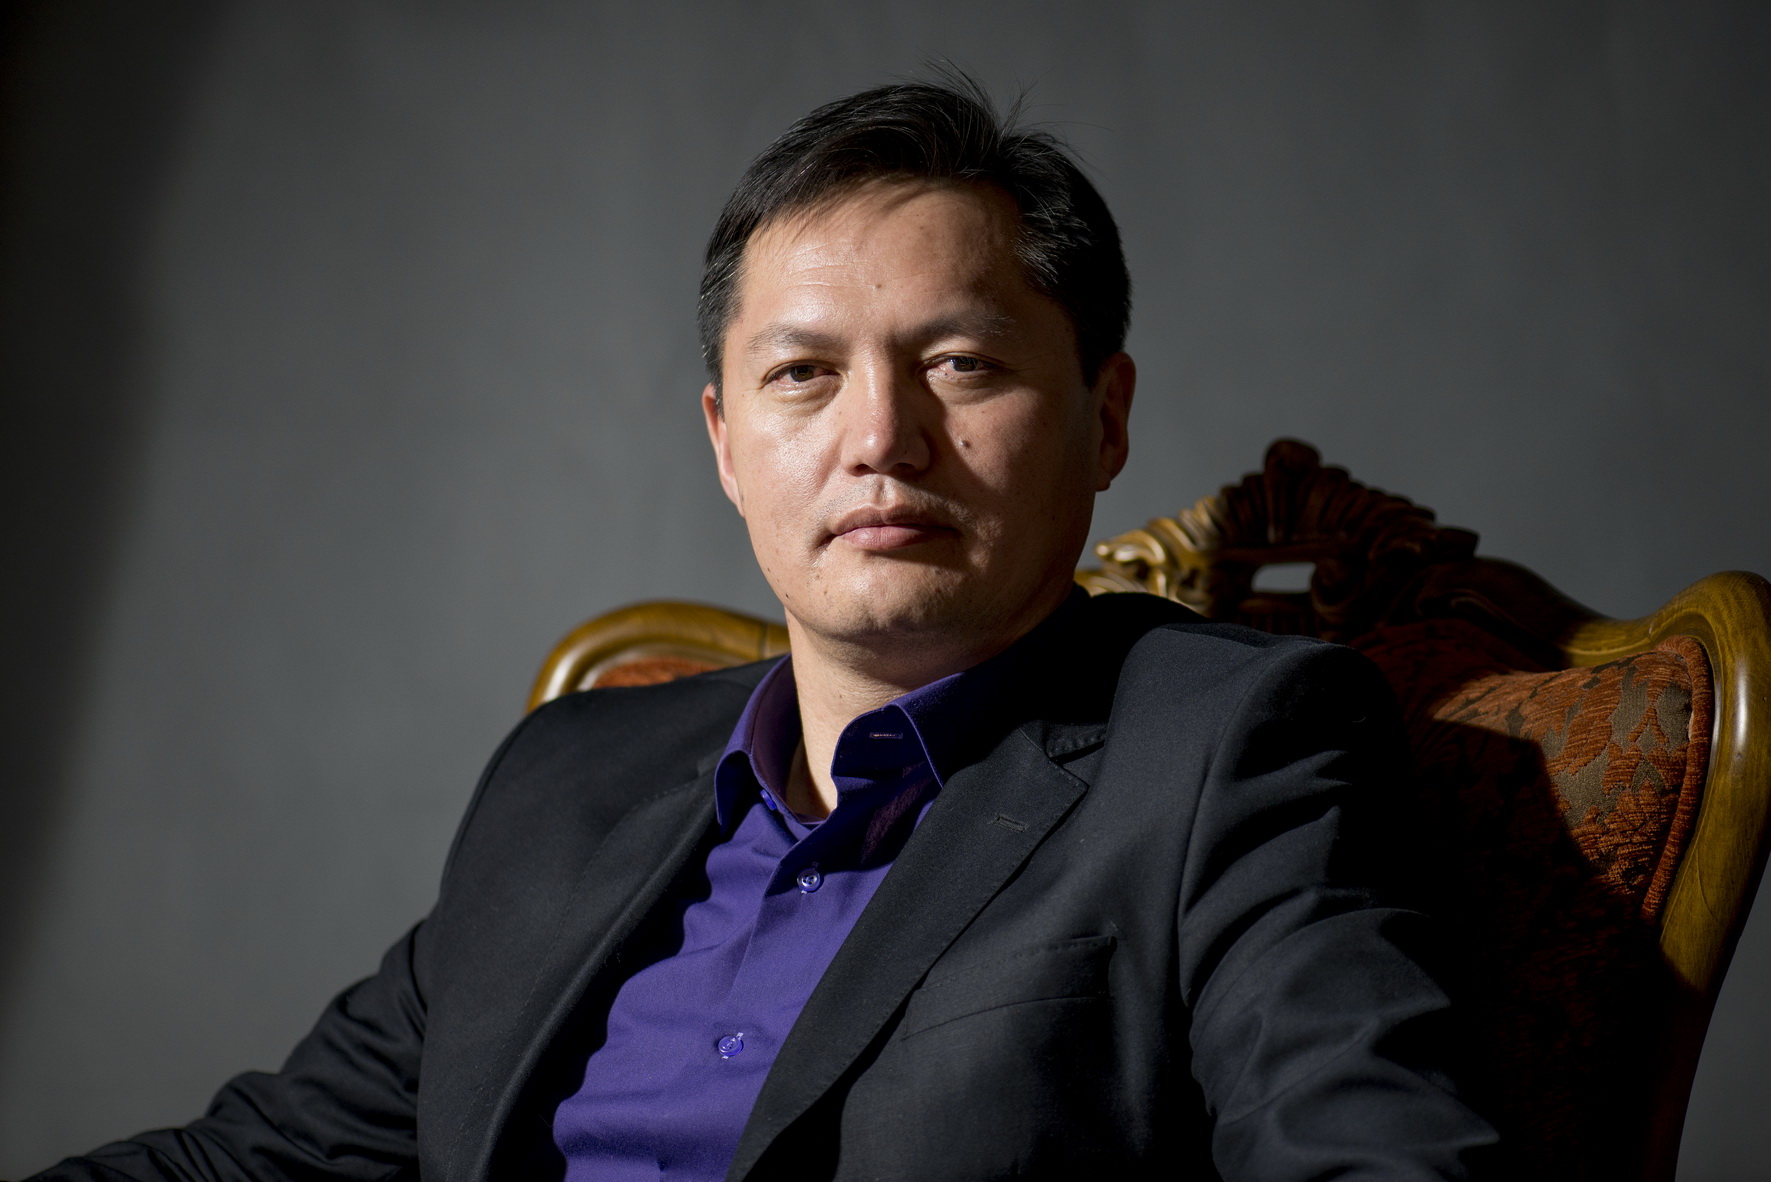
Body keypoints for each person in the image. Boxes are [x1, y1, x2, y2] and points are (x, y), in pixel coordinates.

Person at [29, 75, 1496, 1181]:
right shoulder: (568, 778)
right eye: (803, 375)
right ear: (728, 444)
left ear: (1103, 419)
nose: (881, 438)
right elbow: (267, 1156)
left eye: (960, 363)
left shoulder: (1228, 750)